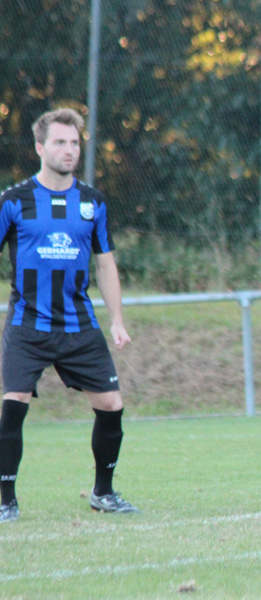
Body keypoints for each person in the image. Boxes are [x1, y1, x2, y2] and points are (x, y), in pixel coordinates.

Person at [0, 108, 137, 524]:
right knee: (14, 403)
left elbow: (106, 264)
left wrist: (117, 319)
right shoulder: (13, 201)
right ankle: (6, 501)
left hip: (79, 324)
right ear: (40, 148)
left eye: (74, 142)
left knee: (111, 405)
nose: (69, 150)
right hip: (28, 324)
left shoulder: (93, 202)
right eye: (60, 142)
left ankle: (103, 493)